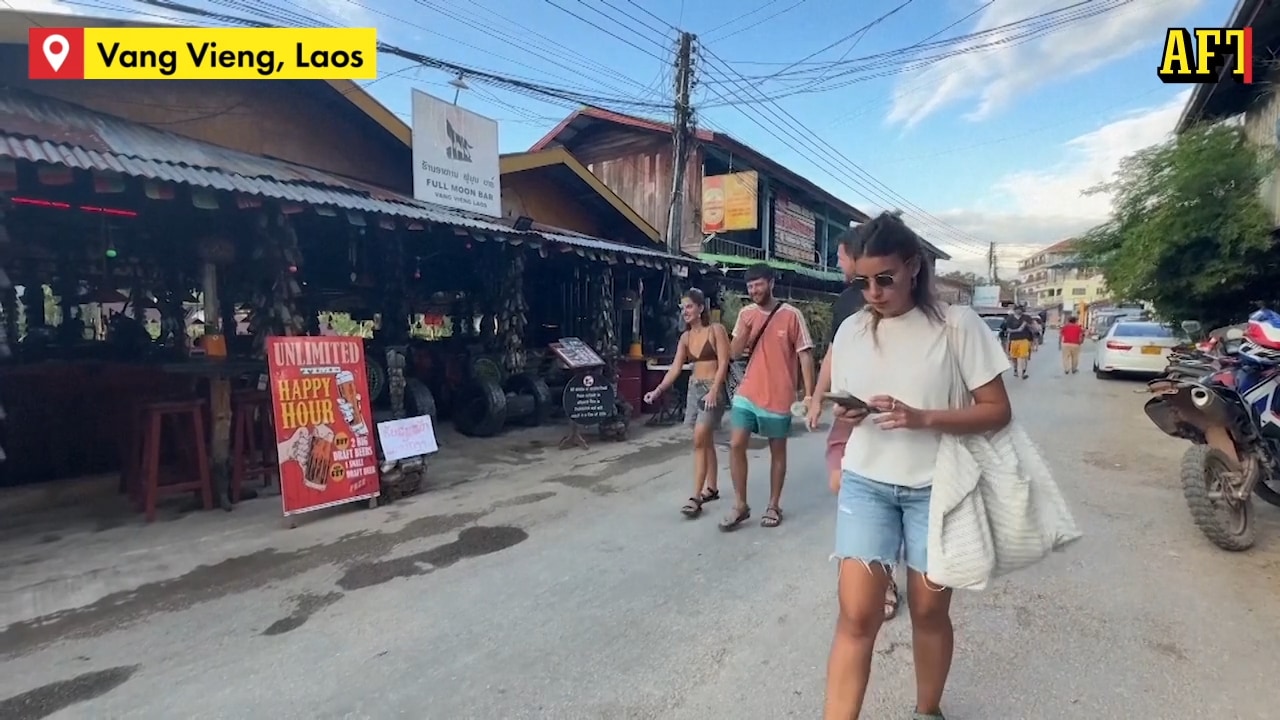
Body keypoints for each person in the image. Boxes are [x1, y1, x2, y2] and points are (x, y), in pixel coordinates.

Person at [822, 212, 1012, 720]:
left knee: (929, 610)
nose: (874, 292)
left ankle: (927, 710)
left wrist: (921, 416)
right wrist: (849, 417)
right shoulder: (852, 332)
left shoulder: (956, 325)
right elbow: (850, 411)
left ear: (913, 267)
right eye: (863, 282)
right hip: (867, 484)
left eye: (885, 278)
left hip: (937, 488)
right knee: (856, 617)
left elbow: (997, 411)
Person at [807, 232, 901, 621]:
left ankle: (884, 577)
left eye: (841, 257)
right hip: (851, 413)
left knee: (884, 492)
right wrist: (817, 395)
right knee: (843, 484)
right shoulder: (846, 302)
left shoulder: (907, 306)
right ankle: (865, 568)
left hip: (892, 416)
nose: (872, 290)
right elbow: (834, 351)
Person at [722, 264, 815, 531]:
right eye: (750, 287)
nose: (754, 291)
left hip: (779, 395)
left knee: (777, 450)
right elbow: (734, 353)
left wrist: (809, 395)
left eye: (758, 284)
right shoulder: (746, 314)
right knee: (737, 442)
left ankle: (774, 505)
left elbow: (805, 355)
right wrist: (746, 333)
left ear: (771, 283)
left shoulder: (791, 315)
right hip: (748, 391)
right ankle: (740, 504)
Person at [644, 288, 730, 517]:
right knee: (705, 438)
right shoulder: (686, 337)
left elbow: (723, 363)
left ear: (701, 308)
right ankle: (711, 487)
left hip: (712, 389)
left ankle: (696, 496)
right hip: (694, 388)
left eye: (689, 307)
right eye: (683, 308)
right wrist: (658, 389)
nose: (685, 312)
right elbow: (675, 368)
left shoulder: (716, 330)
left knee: (700, 438)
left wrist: (714, 390)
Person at [1002, 305, 1033, 379]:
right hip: (1014, 339)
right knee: (1014, 357)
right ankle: (1015, 369)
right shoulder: (1010, 318)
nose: (1019, 311)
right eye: (1017, 309)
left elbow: (1033, 327)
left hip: (1024, 339)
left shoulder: (1026, 317)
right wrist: (1017, 330)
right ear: (1014, 310)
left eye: (1020, 309)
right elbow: (1008, 329)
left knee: (1023, 356)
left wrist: (1027, 325)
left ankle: (1022, 372)